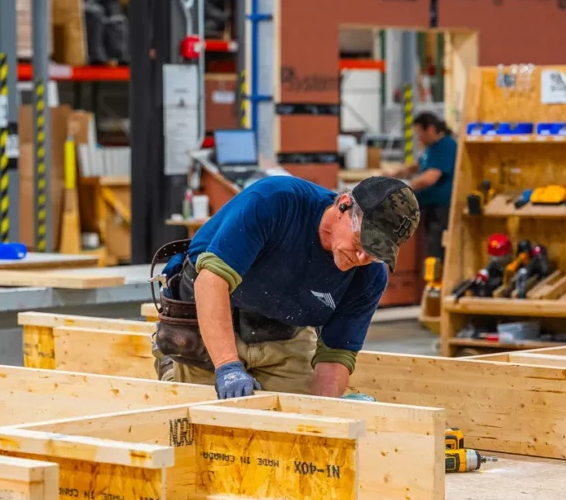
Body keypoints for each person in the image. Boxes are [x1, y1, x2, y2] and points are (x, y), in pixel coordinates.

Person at [152, 176, 420, 399]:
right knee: (204, 422)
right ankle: (171, 367)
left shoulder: (369, 277)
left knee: (298, 427)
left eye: (375, 253)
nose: (362, 258)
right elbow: (211, 282)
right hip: (212, 317)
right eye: (361, 242)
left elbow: (335, 355)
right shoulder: (275, 202)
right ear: (344, 205)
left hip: (281, 329)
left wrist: (324, 418)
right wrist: (228, 367)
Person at [385, 112, 457, 260]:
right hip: (429, 207)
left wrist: (402, 188)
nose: (419, 139)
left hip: (441, 210)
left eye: (420, 134)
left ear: (430, 129)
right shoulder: (431, 148)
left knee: (436, 248)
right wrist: (392, 174)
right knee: (429, 247)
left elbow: (430, 178)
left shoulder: (445, 146)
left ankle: (435, 282)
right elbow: (417, 166)